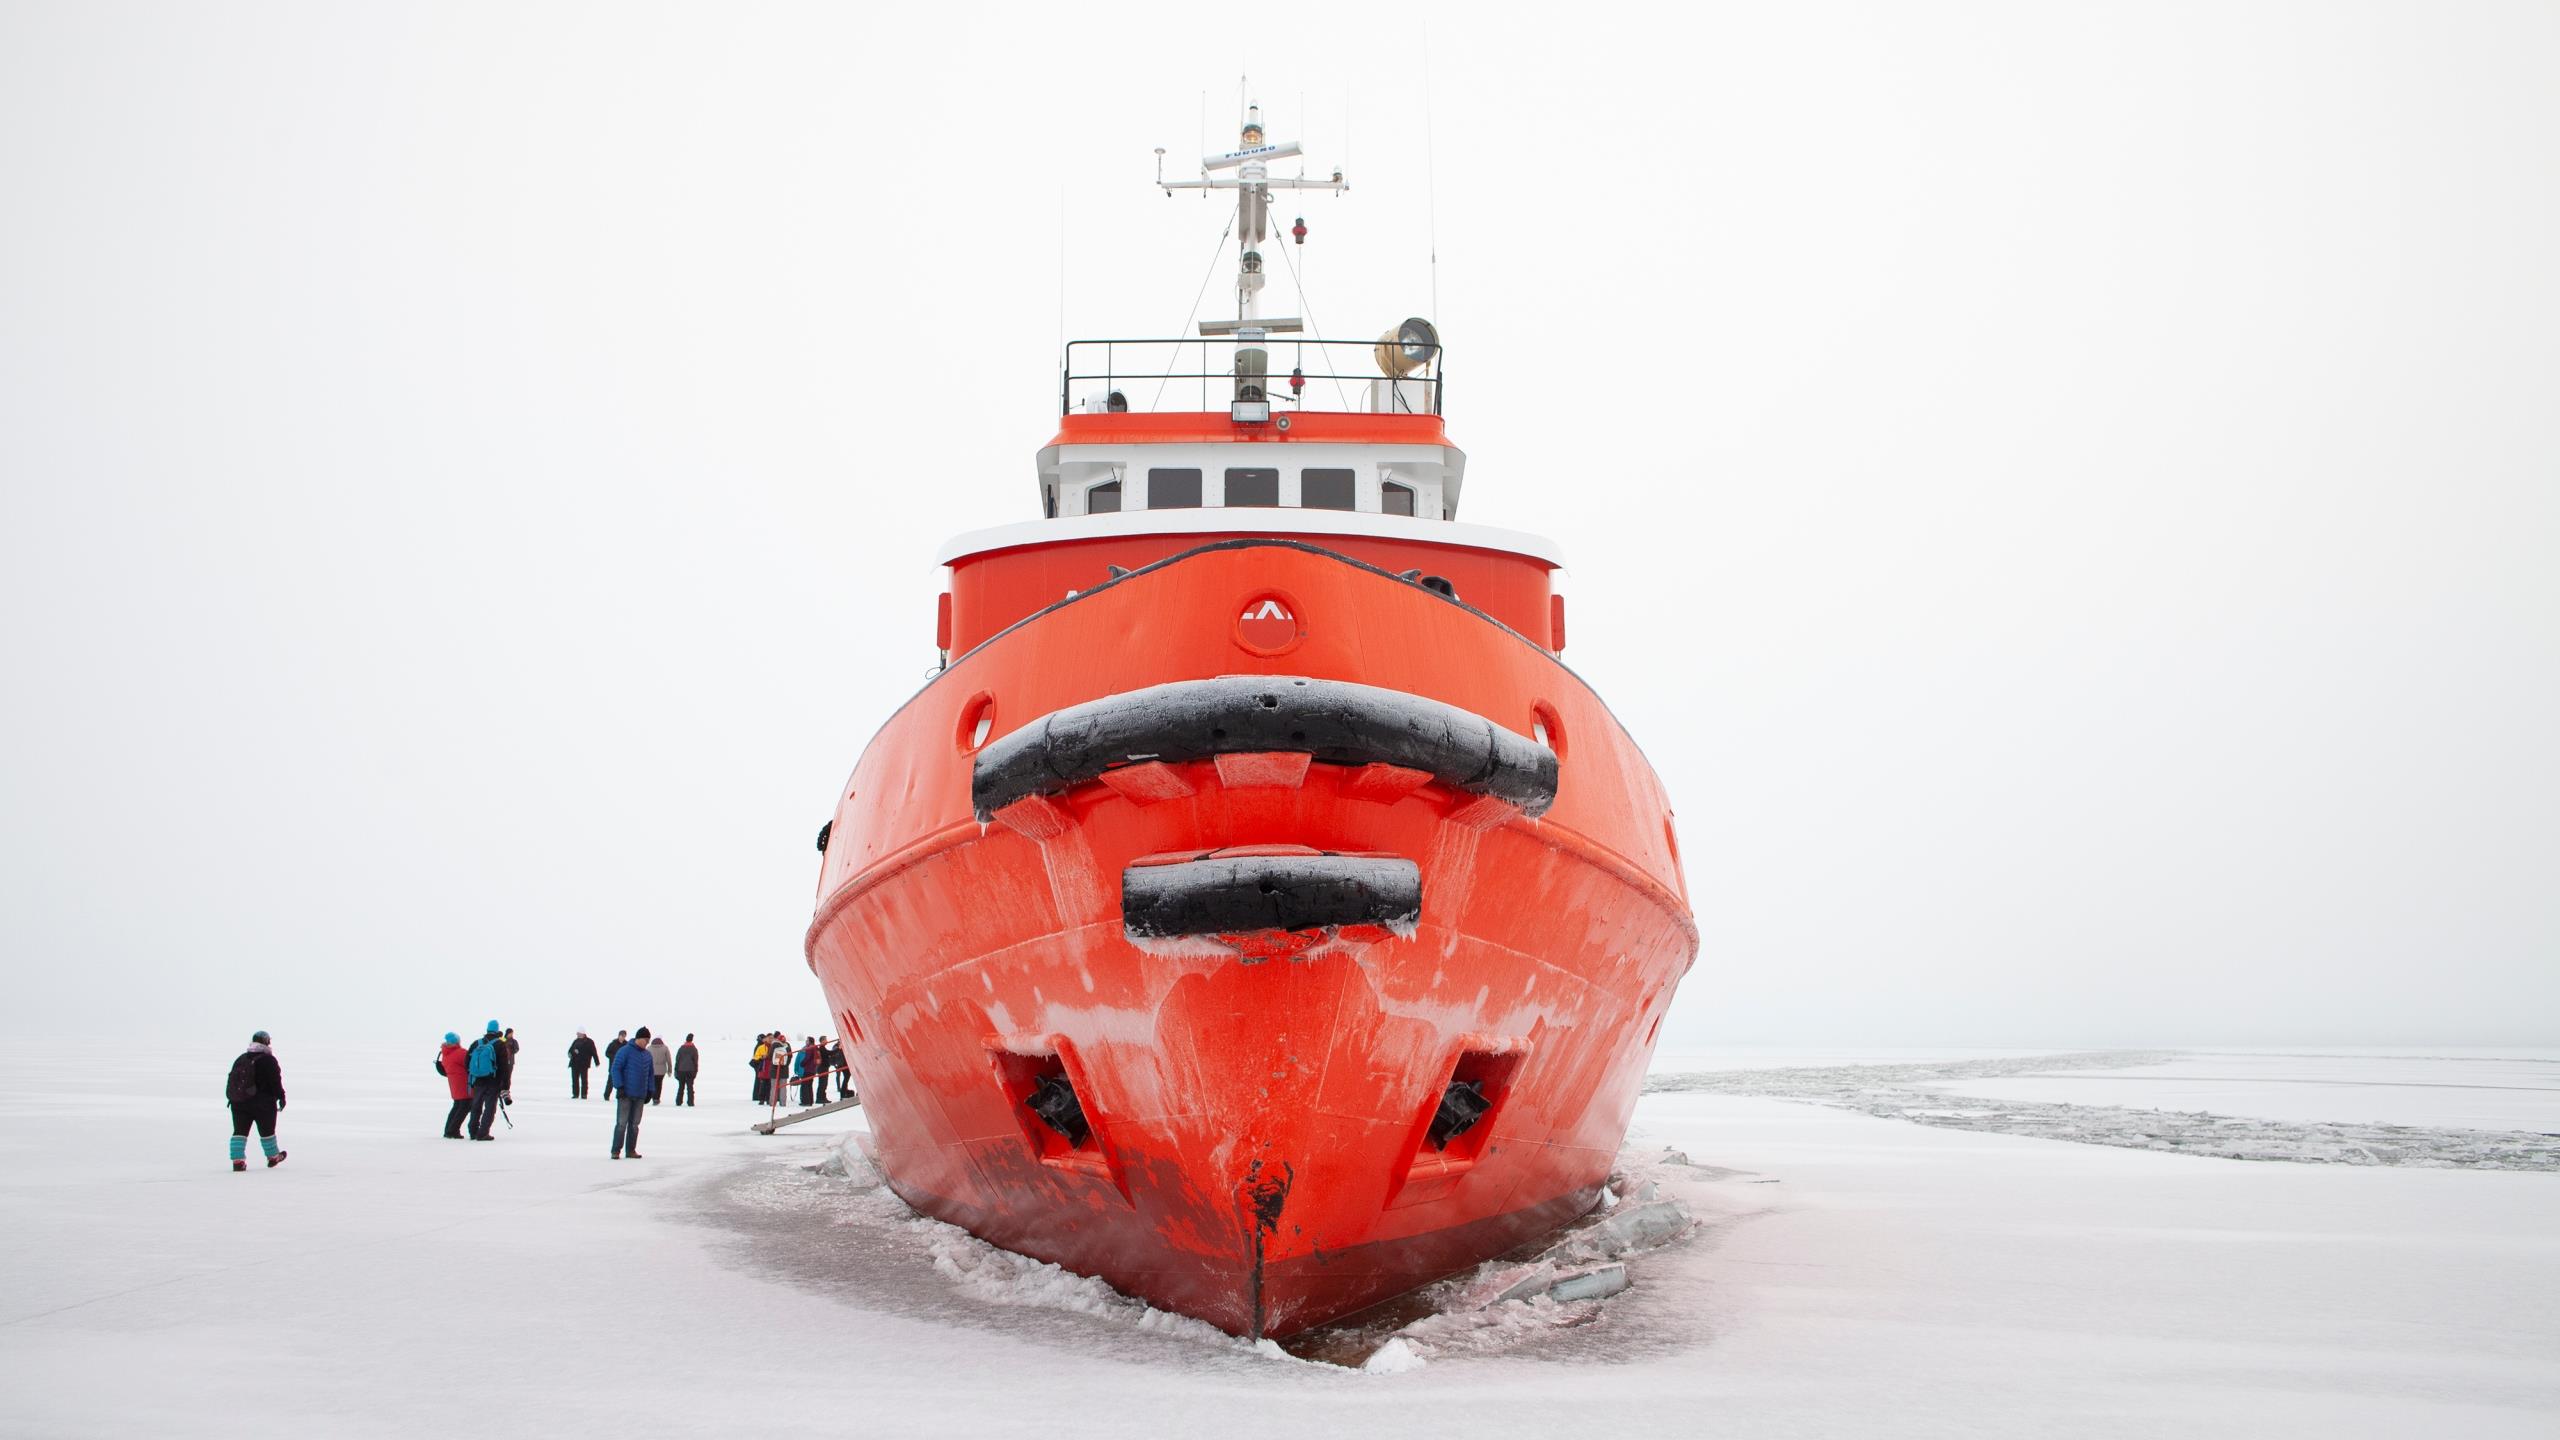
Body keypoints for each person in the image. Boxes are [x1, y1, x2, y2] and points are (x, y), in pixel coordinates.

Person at [225, 1030, 287, 1171]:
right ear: (266, 1042)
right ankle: (273, 1157)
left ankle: (238, 1161)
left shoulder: (241, 1058)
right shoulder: (268, 1060)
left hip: (239, 1102)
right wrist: (281, 1097)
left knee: (239, 1131)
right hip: (262, 1103)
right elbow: (275, 1082)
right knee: (267, 1131)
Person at [609, 1026, 655, 1159]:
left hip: (640, 1095)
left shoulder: (647, 1055)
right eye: (645, 1040)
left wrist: (650, 1091)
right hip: (626, 1094)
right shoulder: (625, 1051)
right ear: (639, 1038)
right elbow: (615, 1069)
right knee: (622, 1123)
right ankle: (616, 1151)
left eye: (648, 1040)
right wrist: (620, 1087)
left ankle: (631, 1150)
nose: (647, 1042)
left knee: (634, 1125)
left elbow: (650, 1074)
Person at [465, 1020, 512, 1141]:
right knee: (490, 1108)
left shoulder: (476, 1043)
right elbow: (504, 1067)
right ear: (497, 1030)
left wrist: (475, 1074)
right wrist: (505, 1084)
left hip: (478, 1080)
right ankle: (483, 1133)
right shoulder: (500, 1045)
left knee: (476, 1105)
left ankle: (473, 1131)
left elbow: (467, 1062)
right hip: (493, 1081)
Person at [436, 1031, 472, 1138]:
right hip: (463, 1084)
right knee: (464, 1106)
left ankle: (449, 1130)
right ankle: (452, 1130)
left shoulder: (446, 1054)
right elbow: (471, 1063)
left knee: (457, 1106)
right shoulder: (460, 1053)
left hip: (454, 1084)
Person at [567, 1031, 599, 1099]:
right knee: (575, 1080)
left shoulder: (590, 1042)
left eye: (578, 1033)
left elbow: (594, 1052)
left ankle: (584, 1094)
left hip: (584, 1064)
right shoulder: (575, 1041)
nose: (577, 1035)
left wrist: (597, 1061)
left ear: (583, 1033)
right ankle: (575, 1094)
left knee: (584, 1080)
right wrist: (572, 1052)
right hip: (574, 1063)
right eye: (577, 1034)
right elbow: (570, 1051)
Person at [673, 1034, 699, 1106]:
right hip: (691, 1070)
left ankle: (678, 1102)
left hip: (681, 1070)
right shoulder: (694, 1049)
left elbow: (677, 1060)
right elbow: (695, 1061)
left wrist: (676, 1070)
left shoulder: (681, 1048)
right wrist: (696, 1071)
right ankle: (690, 1102)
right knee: (690, 1087)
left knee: (681, 1087)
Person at [603, 1029, 630, 1100]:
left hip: (623, 1067)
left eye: (624, 1036)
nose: (622, 1037)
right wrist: (614, 1057)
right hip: (613, 1066)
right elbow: (607, 1053)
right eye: (621, 1035)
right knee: (610, 1082)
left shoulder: (627, 1045)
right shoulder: (613, 1043)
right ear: (619, 1036)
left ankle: (620, 1096)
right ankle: (606, 1095)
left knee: (622, 1082)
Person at [647, 1033, 671, 1104]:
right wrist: (669, 1070)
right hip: (661, 1070)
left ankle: (653, 1097)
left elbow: (645, 1059)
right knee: (659, 1084)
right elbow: (668, 1060)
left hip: (651, 1070)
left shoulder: (649, 1048)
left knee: (653, 1083)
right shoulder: (665, 1048)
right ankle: (656, 1098)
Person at [750, 1034, 771, 1104]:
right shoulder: (760, 1046)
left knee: (762, 1082)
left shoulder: (763, 1045)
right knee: (761, 1082)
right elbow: (756, 1056)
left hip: (763, 1066)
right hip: (761, 1066)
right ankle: (759, 1097)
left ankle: (762, 1097)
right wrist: (762, 1057)